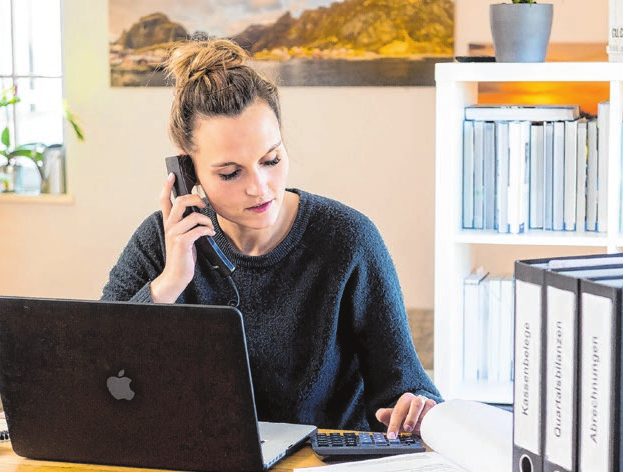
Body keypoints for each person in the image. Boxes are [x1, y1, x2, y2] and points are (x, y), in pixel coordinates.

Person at [101, 37, 442, 437]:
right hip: (201, 457)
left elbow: (405, 384)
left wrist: (416, 407)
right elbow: (100, 367)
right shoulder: (161, 242)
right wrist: (168, 284)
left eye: (271, 160)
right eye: (230, 173)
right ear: (186, 169)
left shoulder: (349, 240)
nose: (260, 188)